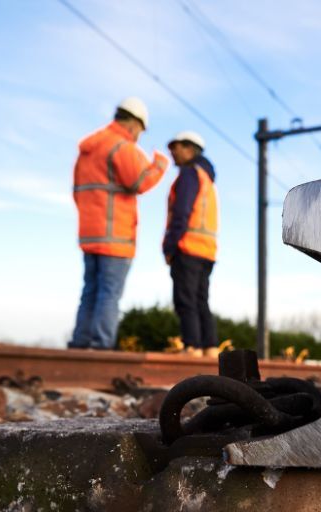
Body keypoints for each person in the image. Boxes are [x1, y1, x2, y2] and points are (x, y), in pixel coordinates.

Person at [69, 97, 169, 349]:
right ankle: (101, 346)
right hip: (116, 236)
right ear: (134, 124)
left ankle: (80, 344)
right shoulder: (120, 146)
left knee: (89, 292)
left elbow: (79, 191)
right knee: (109, 294)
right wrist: (159, 165)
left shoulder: (90, 149)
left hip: (90, 234)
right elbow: (139, 182)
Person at [163, 131, 219, 358]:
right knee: (200, 301)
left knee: (185, 300)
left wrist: (169, 246)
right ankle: (210, 349)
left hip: (188, 247)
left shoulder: (189, 174)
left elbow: (181, 213)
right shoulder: (206, 178)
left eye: (176, 147)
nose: (173, 152)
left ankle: (191, 348)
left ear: (189, 149)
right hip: (207, 250)